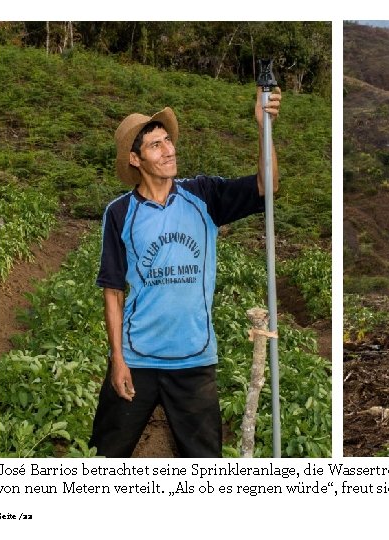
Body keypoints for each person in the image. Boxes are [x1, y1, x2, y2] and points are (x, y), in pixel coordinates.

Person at [89, 87, 281, 458]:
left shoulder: (203, 196)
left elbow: (266, 187)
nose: (169, 149)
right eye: (155, 145)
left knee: (205, 463)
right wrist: (117, 359)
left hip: (193, 359)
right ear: (135, 159)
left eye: (168, 141)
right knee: (105, 456)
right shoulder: (119, 213)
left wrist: (263, 127)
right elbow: (113, 290)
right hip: (138, 357)